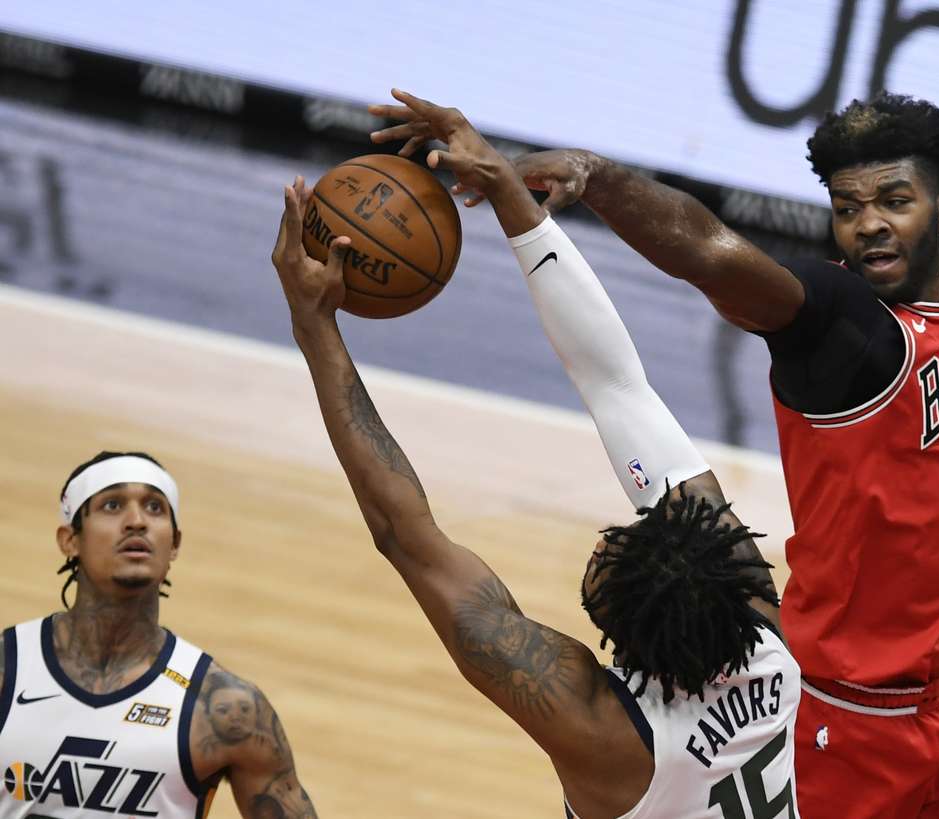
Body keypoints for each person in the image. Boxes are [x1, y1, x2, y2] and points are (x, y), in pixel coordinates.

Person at [417, 91, 939, 818]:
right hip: (851, 723)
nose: (870, 226)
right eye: (848, 208)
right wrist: (598, 178)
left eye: (895, 201)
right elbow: (707, 251)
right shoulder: (839, 328)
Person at [271, 91, 801, 819]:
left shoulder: (609, 738)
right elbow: (617, 387)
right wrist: (515, 202)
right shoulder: (761, 631)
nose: (606, 546)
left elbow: (410, 537)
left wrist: (315, 328)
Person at [0, 451, 318, 818]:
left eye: (154, 508)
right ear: (70, 539)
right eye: (112, 505)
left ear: (175, 544)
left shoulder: (224, 709)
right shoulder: (9, 670)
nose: (136, 521)